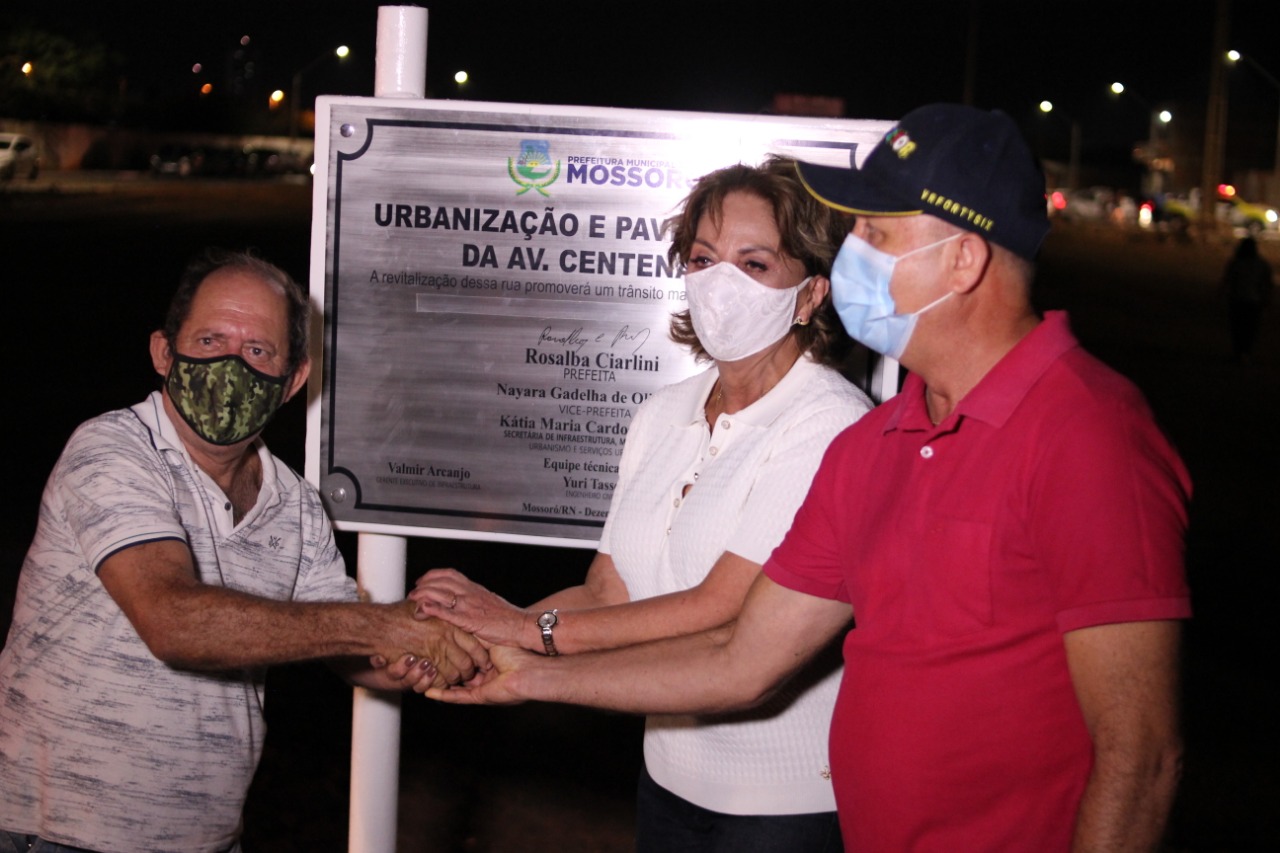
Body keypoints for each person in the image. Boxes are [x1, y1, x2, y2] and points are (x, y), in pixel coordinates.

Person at [424, 105, 1192, 852]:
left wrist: (529, 643)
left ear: (964, 258)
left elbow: (1139, 754)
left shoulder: (1089, 435)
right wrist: (524, 675)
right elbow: (742, 659)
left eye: (876, 232)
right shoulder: (877, 443)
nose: (850, 251)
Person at [410, 157, 872, 851]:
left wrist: (529, 635)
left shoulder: (829, 423)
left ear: (809, 295)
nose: (720, 282)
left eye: (754, 264)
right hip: (666, 781)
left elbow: (723, 607)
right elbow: (610, 588)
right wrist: (479, 634)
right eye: (703, 258)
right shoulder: (662, 413)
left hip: (786, 807)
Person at [0, 249, 487, 853]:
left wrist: (411, 653)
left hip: (209, 838)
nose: (231, 363)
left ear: (293, 381)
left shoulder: (297, 505)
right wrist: (382, 628)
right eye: (209, 339)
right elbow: (173, 619)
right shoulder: (111, 451)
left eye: (258, 351)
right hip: (60, 836)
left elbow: (348, 644)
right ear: (162, 352)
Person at [1222, 235, 1274, 362]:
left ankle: (1239, 352)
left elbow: (1227, 281)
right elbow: (1267, 283)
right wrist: (1266, 299)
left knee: (1237, 328)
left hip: (1237, 300)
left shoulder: (1236, 263)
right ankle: (1246, 352)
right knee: (1250, 328)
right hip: (1254, 301)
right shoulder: (1261, 264)